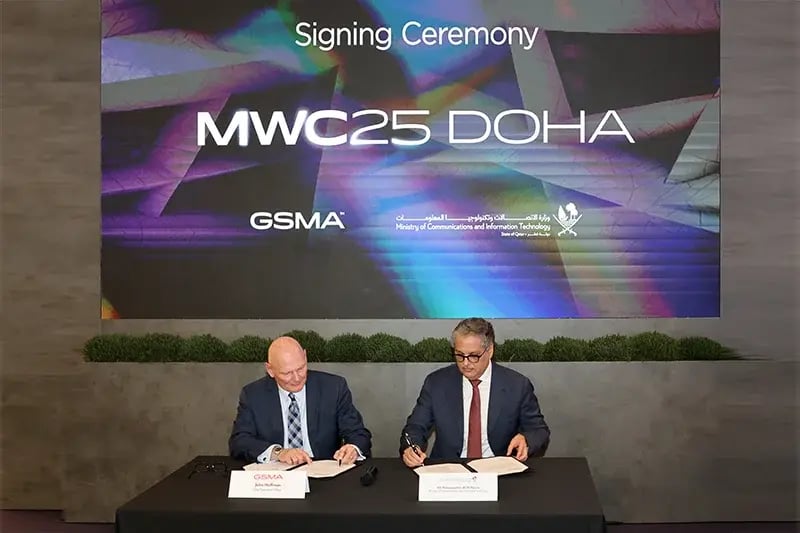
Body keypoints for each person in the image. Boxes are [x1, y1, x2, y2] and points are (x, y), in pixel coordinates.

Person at [400, 318, 550, 467]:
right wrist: (411, 447)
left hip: (498, 468)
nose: (465, 363)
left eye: (473, 356)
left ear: (490, 351)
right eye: (459, 355)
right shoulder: (436, 383)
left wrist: (527, 439)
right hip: (448, 469)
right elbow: (415, 426)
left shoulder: (517, 385)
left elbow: (538, 429)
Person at [229, 336, 372, 465]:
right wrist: (279, 453)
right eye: (287, 373)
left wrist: (353, 448)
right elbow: (239, 441)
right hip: (277, 474)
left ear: (305, 356)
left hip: (322, 472)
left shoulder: (333, 387)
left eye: (301, 368)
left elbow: (358, 433)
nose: (297, 378)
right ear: (270, 370)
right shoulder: (253, 395)